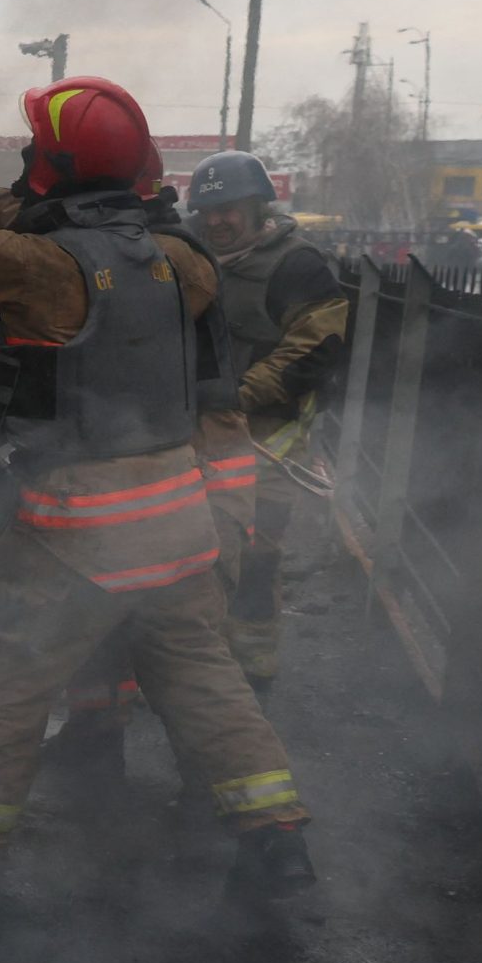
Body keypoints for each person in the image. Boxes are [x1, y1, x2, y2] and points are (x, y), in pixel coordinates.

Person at [0, 75, 314, 896]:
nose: (28, 159)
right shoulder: (183, 258)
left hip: (72, 532)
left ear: (56, 165)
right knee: (205, 682)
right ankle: (277, 837)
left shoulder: (46, 270)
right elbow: (35, 220)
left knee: (5, 691)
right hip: (178, 522)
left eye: (36, 150)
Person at [185, 150, 349, 685]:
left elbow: (314, 347)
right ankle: (191, 669)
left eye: (228, 209)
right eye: (206, 210)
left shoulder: (297, 266)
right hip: (191, 439)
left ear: (258, 207)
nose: (215, 221)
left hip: (266, 446)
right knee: (186, 556)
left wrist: (234, 395)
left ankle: (252, 670)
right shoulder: (184, 254)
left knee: (255, 558)